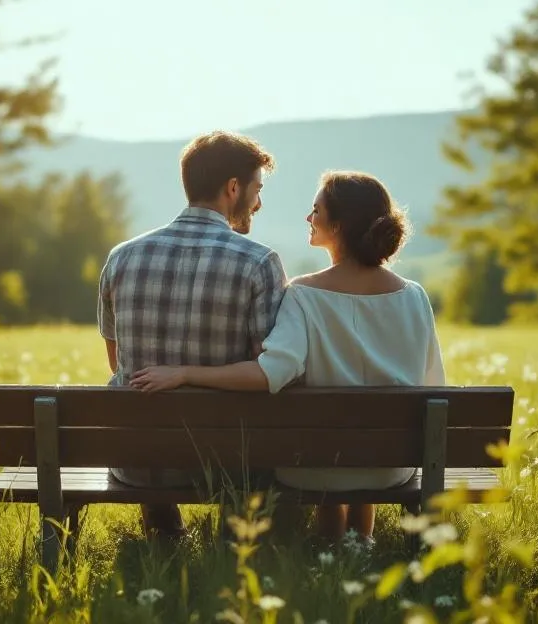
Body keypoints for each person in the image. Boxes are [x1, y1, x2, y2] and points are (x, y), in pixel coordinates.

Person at [130, 170, 445, 542]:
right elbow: (433, 382)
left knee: (332, 452)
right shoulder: (414, 296)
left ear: (339, 225)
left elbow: (269, 373)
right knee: (361, 445)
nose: (308, 218)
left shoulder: (303, 295)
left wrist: (185, 373)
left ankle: (332, 550)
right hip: (391, 465)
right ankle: (360, 545)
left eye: (316, 210)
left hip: (315, 464)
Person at [97, 131, 288, 539]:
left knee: (145, 418)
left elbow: (119, 364)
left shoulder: (122, 257)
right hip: (228, 461)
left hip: (138, 460)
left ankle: (163, 531)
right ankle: (234, 542)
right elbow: (266, 370)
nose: (258, 203)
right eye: (257, 190)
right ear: (233, 188)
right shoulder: (259, 262)